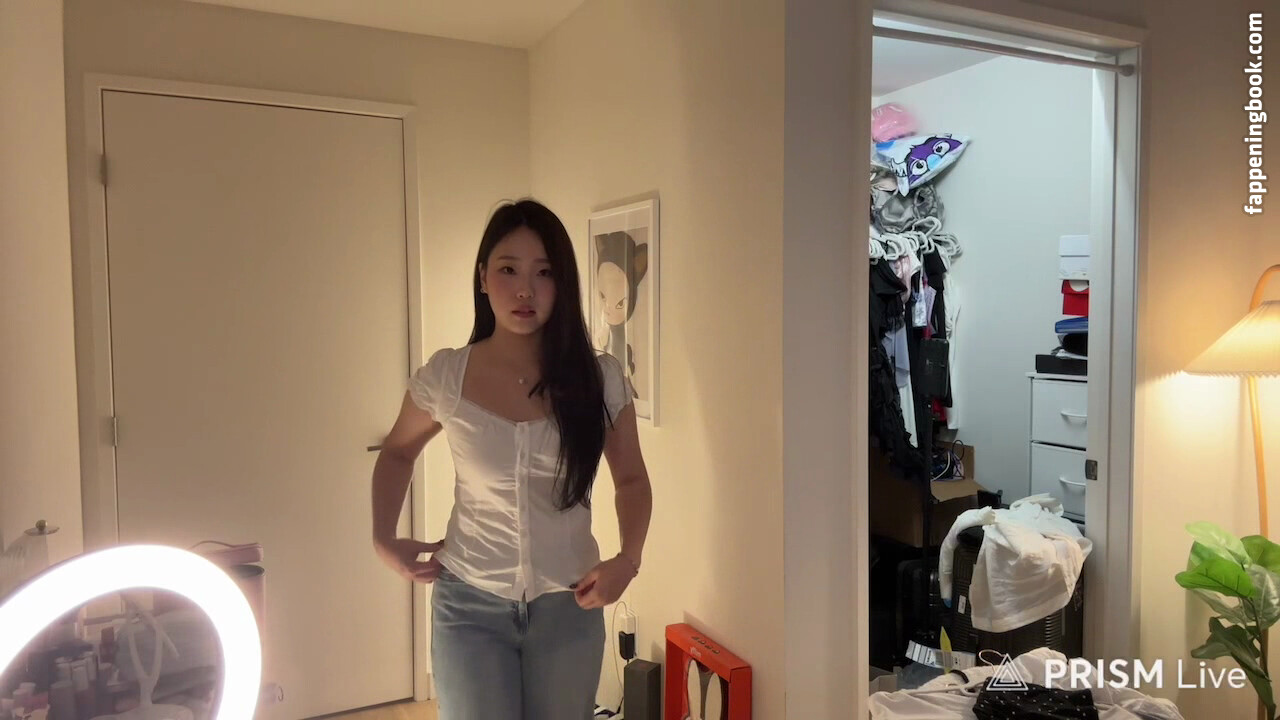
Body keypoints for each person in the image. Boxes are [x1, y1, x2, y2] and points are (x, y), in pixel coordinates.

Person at [370, 199, 653, 720]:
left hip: (571, 604)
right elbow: (397, 451)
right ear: (483, 278)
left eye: (544, 272)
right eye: (508, 270)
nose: (525, 290)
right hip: (469, 606)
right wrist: (383, 537)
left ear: (562, 284)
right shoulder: (447, 376)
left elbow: (631, 479)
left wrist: (628, 561)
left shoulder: (600, 379)